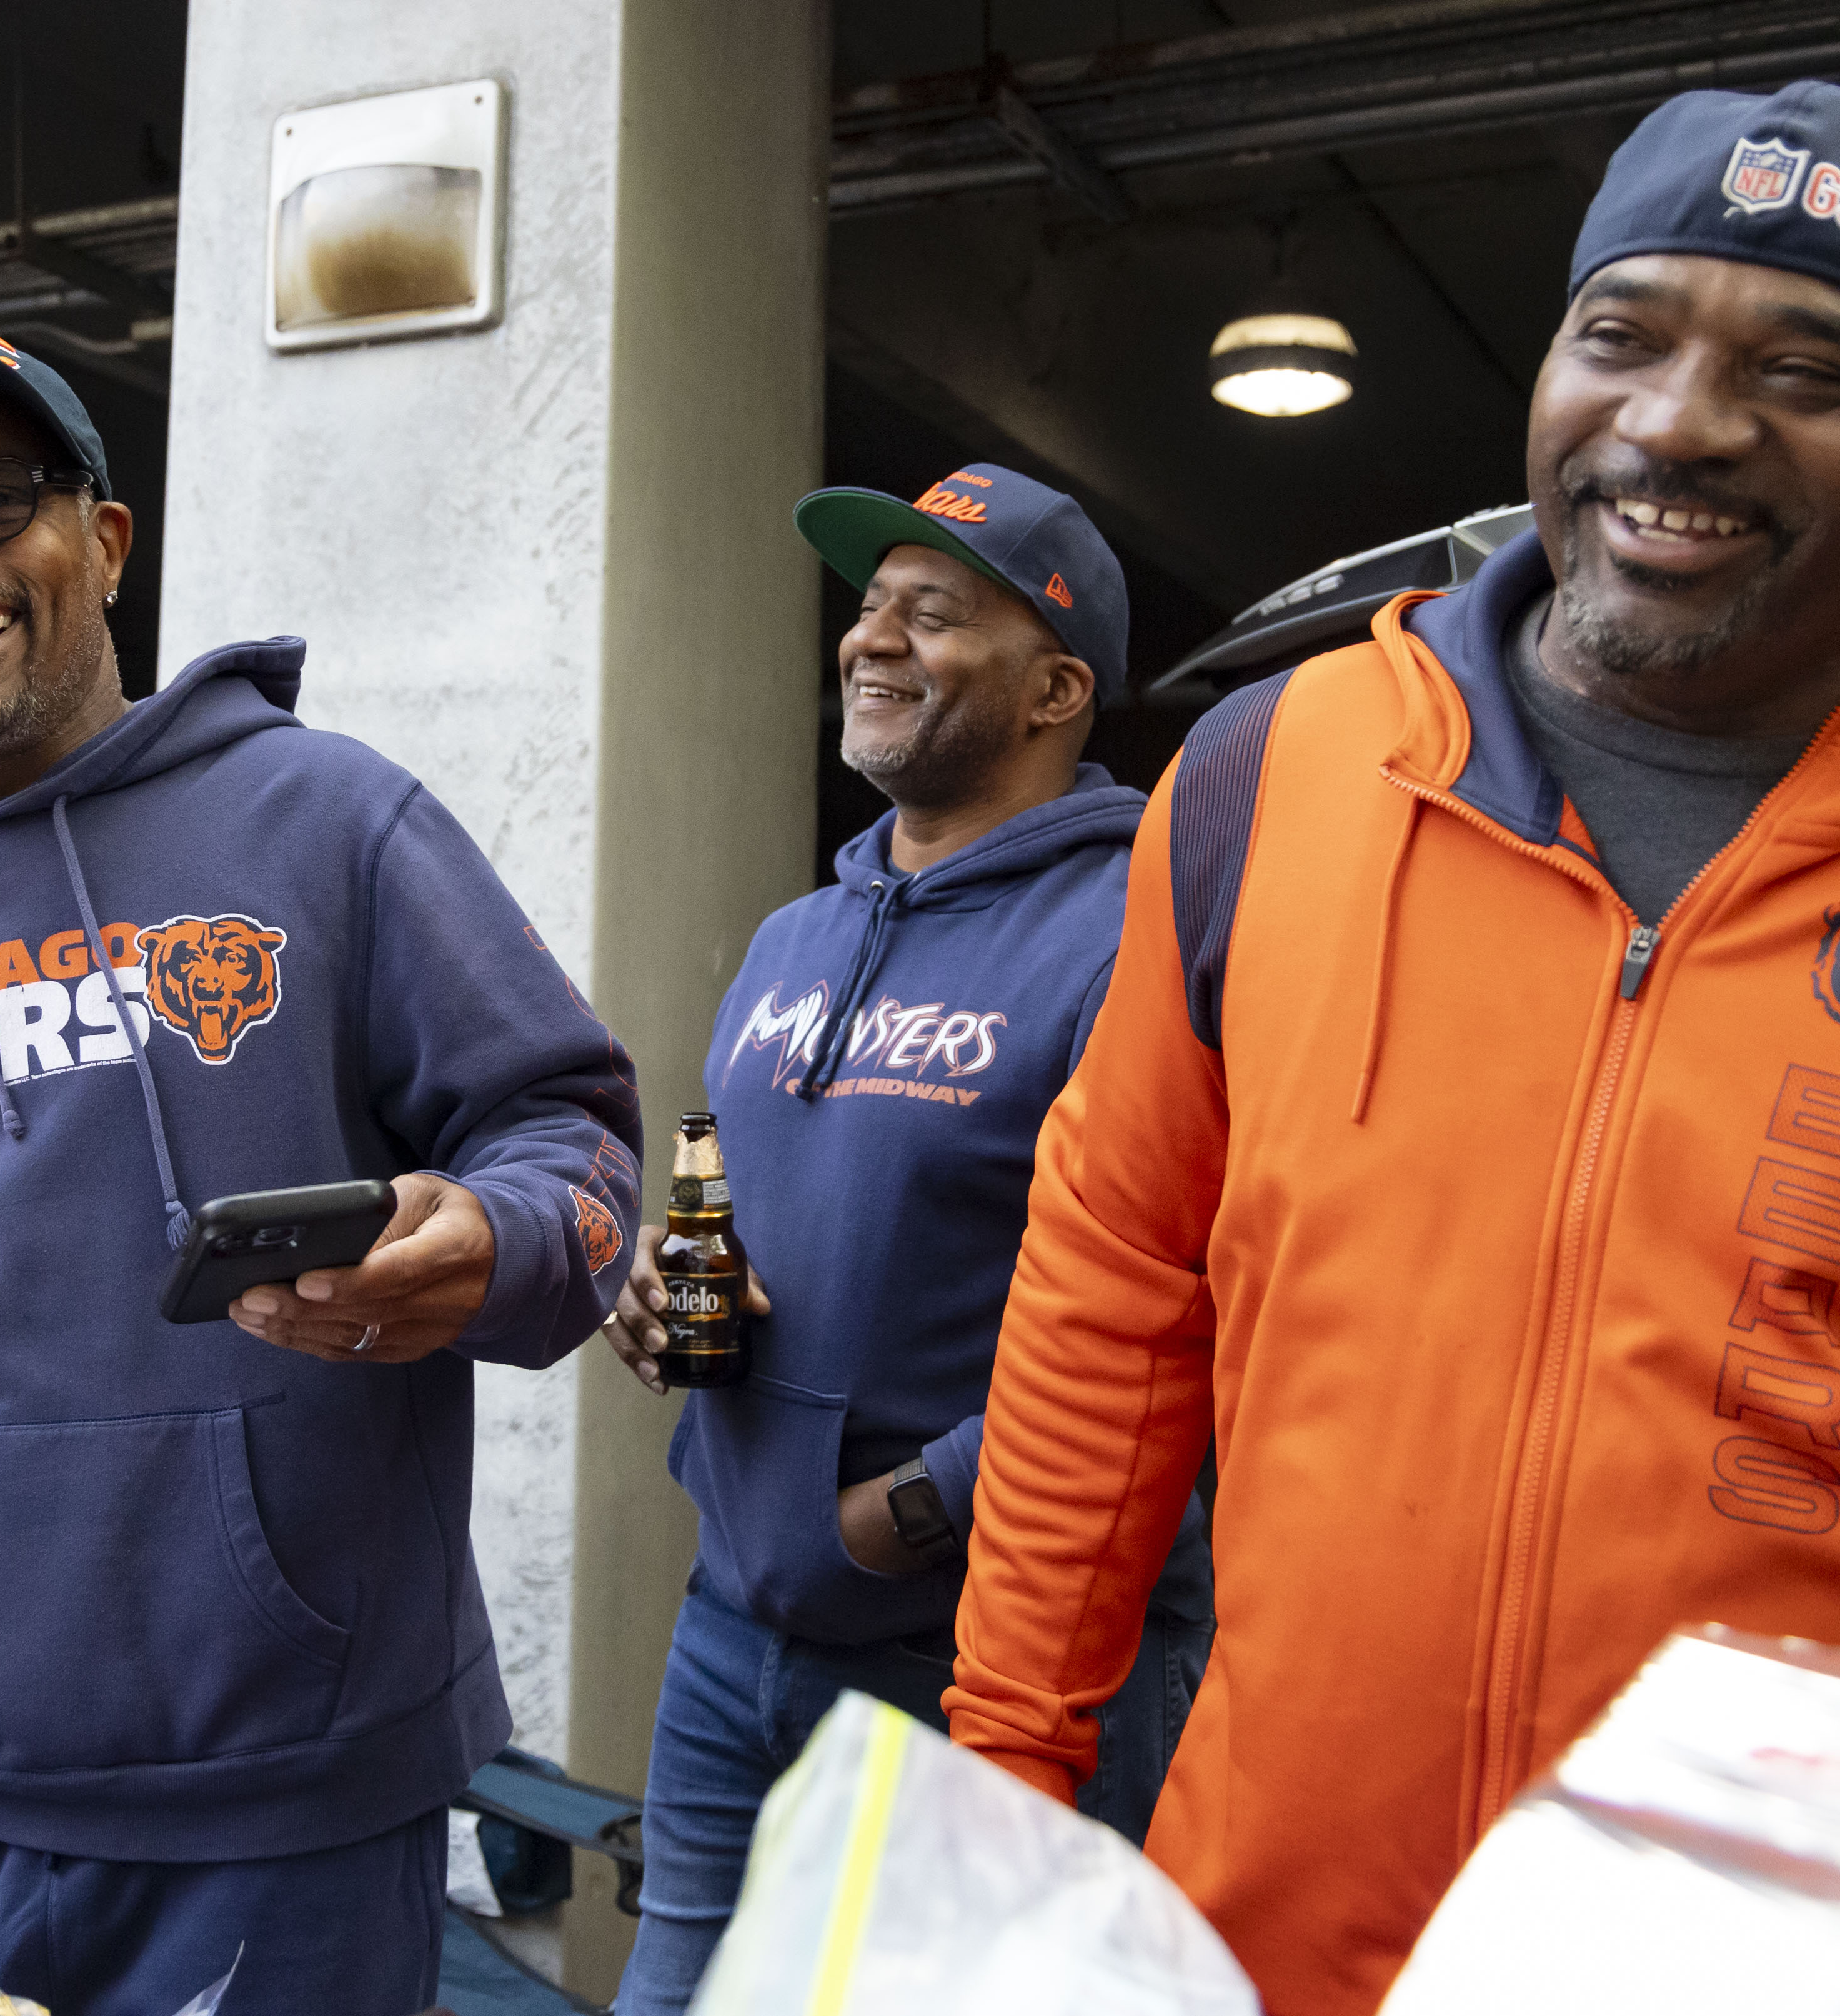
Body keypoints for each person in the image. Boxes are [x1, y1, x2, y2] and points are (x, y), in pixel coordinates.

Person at [945, 82, 1840, 2015]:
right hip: (1272, 1961)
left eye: (1809, 367)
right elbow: (1107, 1301)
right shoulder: (1281, 775)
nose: (1678, 421)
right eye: (1622, 336)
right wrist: (1002, 1805)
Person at [0, 326, 642, 2016]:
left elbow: (571, 1136)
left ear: (106, 543)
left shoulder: (330, 822)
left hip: (285, 1779)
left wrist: (500, 1238)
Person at [601, 464, 1213, 2016]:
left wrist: (917, 1507)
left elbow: (1200, 1300)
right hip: (731, 1630)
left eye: (931, 613)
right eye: (868, 605)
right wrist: (664, 1294)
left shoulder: (1141, 927)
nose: (871, 639)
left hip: (979, 1663)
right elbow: (722, 1206)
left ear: (1055, 689)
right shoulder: (796, 936)